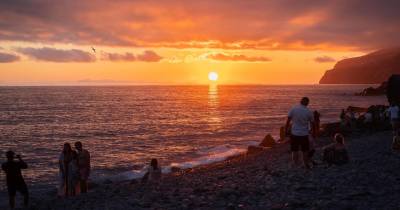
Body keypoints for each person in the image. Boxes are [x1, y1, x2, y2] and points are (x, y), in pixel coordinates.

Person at [285, 97, 314, 169]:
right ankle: (305, 163)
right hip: (304, 134)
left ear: (300, 101)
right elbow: (312, 123)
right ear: (307, 103)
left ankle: (295, 164)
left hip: (294, 133)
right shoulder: (309, 111)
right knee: (305, 150)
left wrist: (286, 129)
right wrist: (312, 131)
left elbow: (288, 120)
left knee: (294, 150)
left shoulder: (293, 109)